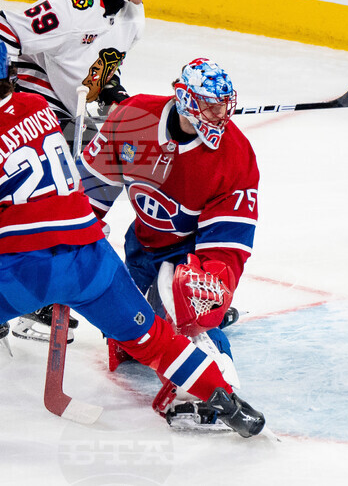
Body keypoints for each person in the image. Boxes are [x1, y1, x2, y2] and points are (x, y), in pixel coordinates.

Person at [0, 30, 264, 444]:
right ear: (11, 72)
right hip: (91, 260)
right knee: (154, 340)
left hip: (23, 272)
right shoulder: (39, 109)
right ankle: (232, 405)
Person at [0, 0, 166, 339]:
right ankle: (0, 292)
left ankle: (35, 290)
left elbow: (98, 72)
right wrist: (4, 105)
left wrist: (112, 92)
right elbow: (1, 30)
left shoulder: (132, 17)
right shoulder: (74, 1)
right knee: (40, 201)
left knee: (99, 180)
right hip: (32, 95)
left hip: (70, 107)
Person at [77, 57, 259, 429]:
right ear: (184, 99)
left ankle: (213, 388)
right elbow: (92, 192)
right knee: (129, 340)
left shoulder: (236, 156)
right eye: (210, 105)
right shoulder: (133, 118)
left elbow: (228, 245)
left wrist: (208, 297)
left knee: (187, 308)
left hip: (189, 254)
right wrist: (69, 238)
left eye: (224, 105)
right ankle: (170, 317)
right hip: (141, 245)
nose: (221, 115)